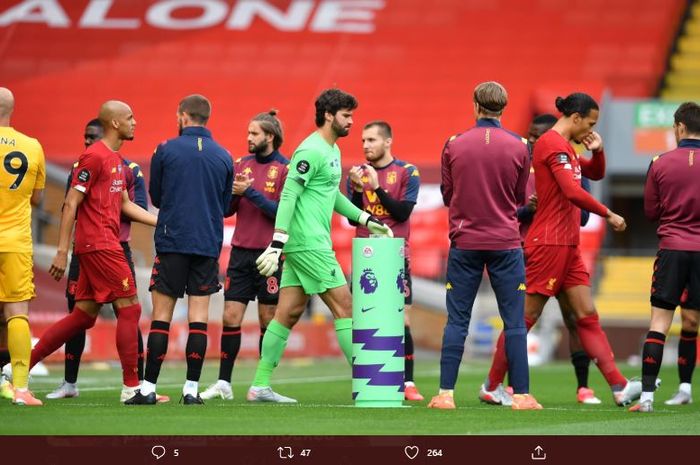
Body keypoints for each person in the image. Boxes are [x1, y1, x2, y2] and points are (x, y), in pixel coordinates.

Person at [482, 92, 641, 407]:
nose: (591, 130)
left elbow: (594, 174)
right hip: (549, 243)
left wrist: (599, 151)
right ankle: (491, 384)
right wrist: (607, 213)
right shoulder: (552, 144)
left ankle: (620, 387)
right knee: (524, 318)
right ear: (577, 117)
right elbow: (571, 190)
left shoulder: (566, 147)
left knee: (587, 315)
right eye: (591, 124)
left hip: (568, 245)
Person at [248, 88, 392, 403]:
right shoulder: (311, 150)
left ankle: (259, 385)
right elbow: (288, 194)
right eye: (346, 115)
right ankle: (372, 385)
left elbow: (332, 195)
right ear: (329, 115)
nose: (352, 122)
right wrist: (278, 240)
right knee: (346, 307)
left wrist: (366, 219)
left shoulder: (332, 151)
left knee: (287, 313)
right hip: (309, 244)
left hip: (306, 244)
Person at [32, 100, 157, 404]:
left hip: (100, 244)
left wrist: (162, 222)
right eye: (130, 117)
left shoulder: (115, 160)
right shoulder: (92, 157)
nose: (134, 122)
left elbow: (125, 204)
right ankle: (131, 388)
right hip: (100, 244)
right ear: (114, 123)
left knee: (82, 316)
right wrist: (62, 251)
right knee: (130, 308)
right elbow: (70, 204)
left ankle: (15, 369)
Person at [428, 81, 540, 410]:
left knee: (457, 320)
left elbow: (448, 196)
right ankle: (522, 396)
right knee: (515, 322)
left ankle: (446, 395)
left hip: (465, 241)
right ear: (503, 108)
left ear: (475, 105)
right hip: (506, 242)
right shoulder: (520, 146)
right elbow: (520, 197)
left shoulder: (454, 144)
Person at [132, 94, 234, 405]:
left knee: (161, 317)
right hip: (206, 243)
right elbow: (227, 206)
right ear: (207, 118)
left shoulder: (165, 149)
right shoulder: (225, 156)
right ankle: (191, 391)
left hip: (173, 240)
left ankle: (148, 389)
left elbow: (158, 198)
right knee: (199, 319)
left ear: (183, 115)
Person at [512, 113, 601, 405]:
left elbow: (584, 215)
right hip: (522, 251)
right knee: (521, 320)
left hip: (558, 248)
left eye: (538, 136)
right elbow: (506, 215)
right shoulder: (519, 167)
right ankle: (509, 385)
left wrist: (552, 203)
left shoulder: (567, 160)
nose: (533, 141)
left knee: (574, 318)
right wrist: (529, 209)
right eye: (530, 136)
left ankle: (583, 387)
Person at [200, 110, 289, 400]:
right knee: (230, 315)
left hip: (269, 255)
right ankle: (224, 382)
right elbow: (227, 210)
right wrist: (235, 194)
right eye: (248, 133)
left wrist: (248, 192)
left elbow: (281, 213)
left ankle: (261, 384)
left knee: (267, 318)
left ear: (270, 137)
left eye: (254, 133)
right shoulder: (241, 165)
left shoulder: (285, 169)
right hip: (240, 253)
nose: (248, 138)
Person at [630, 102, 700, 412]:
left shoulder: (659, 162)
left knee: (659, 322)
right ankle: (685, 388)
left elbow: (649, 212)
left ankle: (646, 398)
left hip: (672, 248)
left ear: (680, 127)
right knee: (692, 320)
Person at [347, 120, 424, 401]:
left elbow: (402, 213)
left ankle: (408, 382)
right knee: (364, 318)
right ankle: (370, 378)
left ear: (387, 142)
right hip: (366, 256)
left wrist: (377, 189)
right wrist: (356, 191)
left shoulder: (407, 172)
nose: (366, 145)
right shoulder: (355, 174)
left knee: (401, 319)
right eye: (363, 141)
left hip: (395, 256)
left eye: (371, 140)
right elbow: (350, 216)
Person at [0, 87, 46, 406]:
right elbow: (38, 198)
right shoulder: (32, 146)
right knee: (17, 314)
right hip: (15, 240)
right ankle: (19, 388)